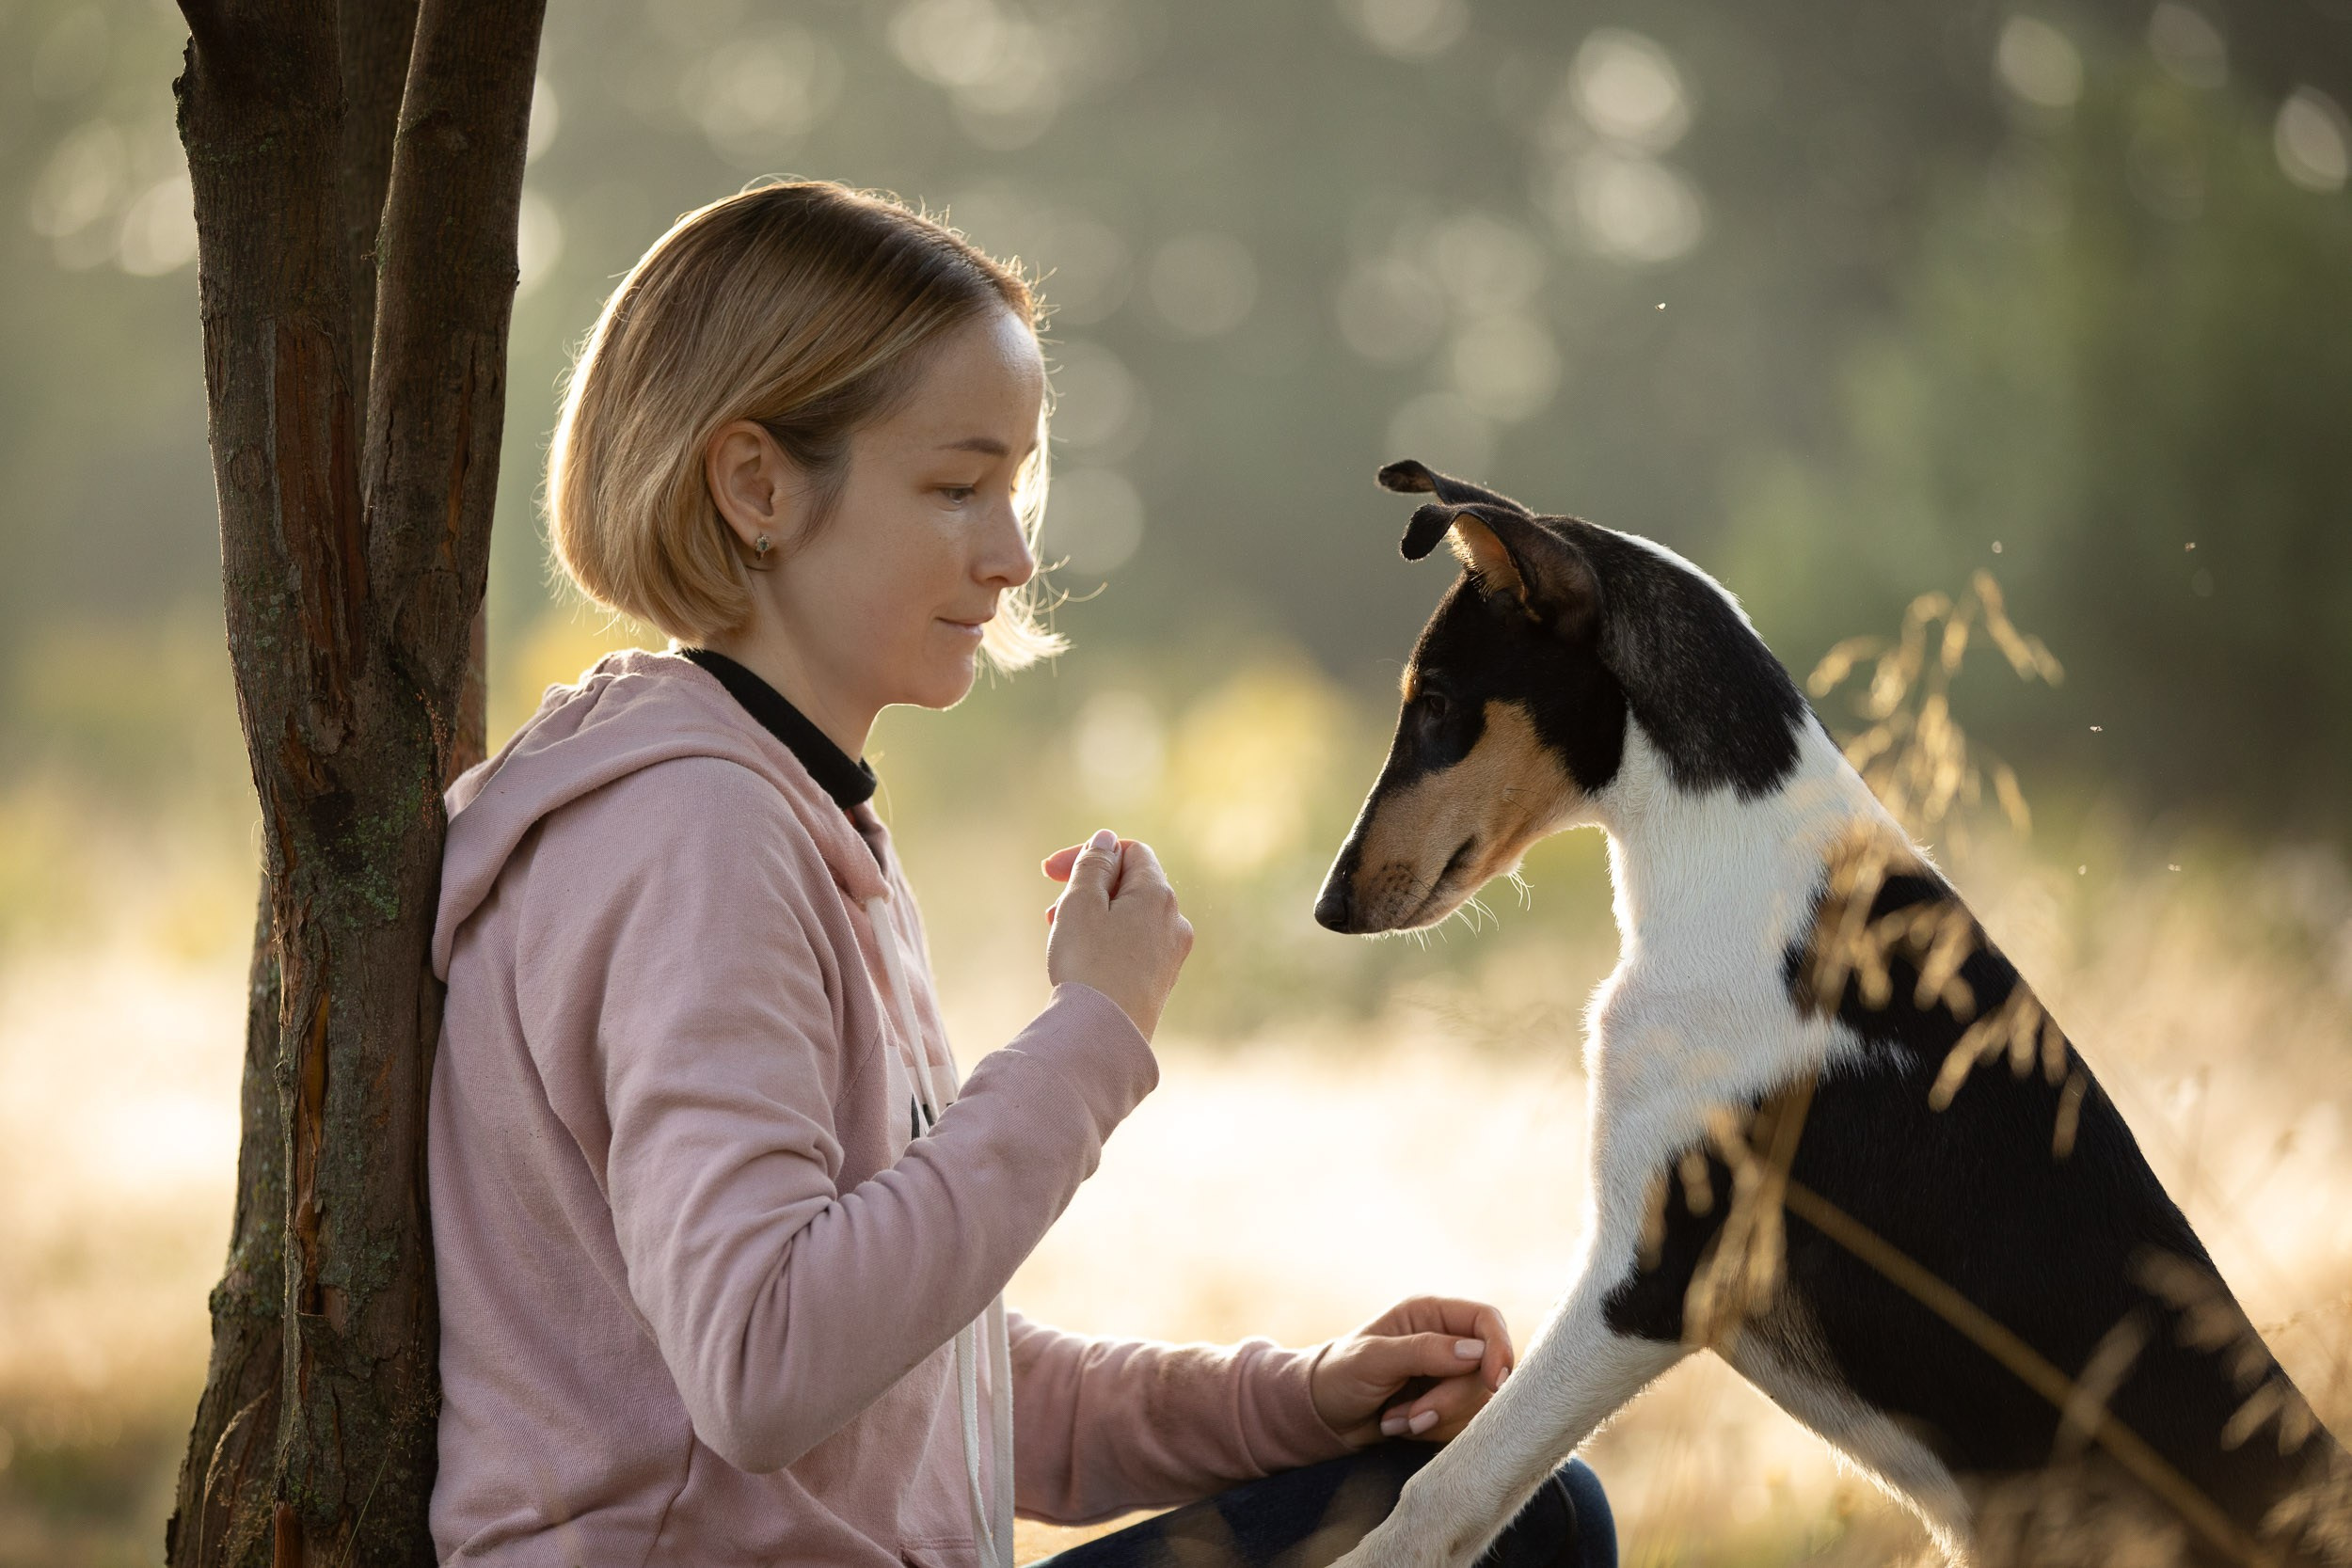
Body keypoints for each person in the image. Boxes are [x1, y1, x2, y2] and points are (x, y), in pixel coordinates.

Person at [427, 179, 1613, 1568]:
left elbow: (937, 1399)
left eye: (1016, 483)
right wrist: (1090, 1040)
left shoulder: (781, 809)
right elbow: (764, 1367)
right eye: (955, 486)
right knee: (1523, 1532)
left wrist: (1295, 1400)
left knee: (1486, 1495)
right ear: (757, 486)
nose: (1013, 555)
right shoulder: (700, 842)